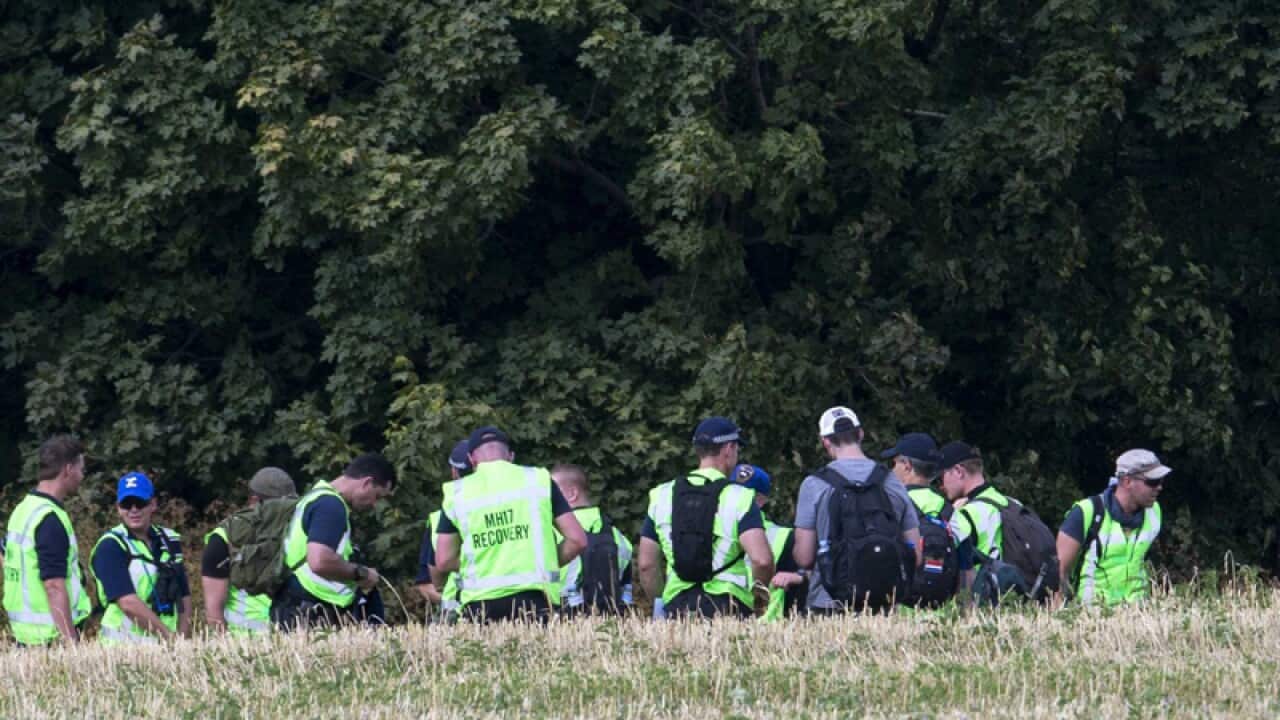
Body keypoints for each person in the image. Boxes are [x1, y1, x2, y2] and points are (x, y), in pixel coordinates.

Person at [433, 426, 587, 624]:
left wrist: (484, 564)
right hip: (535, 598)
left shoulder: (457, 493)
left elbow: (444, 560)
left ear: (472, 459)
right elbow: (577, 540)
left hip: (480, 604)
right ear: (511, 456)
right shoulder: (538, 480)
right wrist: (545, 562)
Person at [636, 417, 774, 619]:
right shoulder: (740, 497)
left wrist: (661, 604)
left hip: (677, 605)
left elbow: (646, 565)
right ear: (728, 448)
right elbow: (762, 560)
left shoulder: (661, 495)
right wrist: (758, 599)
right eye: (737, 449)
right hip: (730, 606)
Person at [793, 407, 921, 614]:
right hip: (884, 603)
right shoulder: (892, 481)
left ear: (825, 441)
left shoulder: (814, 485)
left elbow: (805, 557)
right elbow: (915, 553)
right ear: (860, 433)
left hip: (829, 602)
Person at [272, 453, 396, 630]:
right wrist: (362, 574)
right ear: (366, 483)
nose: (375, 504)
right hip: (309, 611)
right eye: (377, 496)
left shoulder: (316, 496)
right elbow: (320, 561)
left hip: (294, 602)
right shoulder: (331, 506)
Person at [3, 435, 92, 646]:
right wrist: (71, 642)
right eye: (81, 469)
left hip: (25, 638)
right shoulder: (49, 519)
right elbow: (53, 585)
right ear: (68, 469)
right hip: (50, 640)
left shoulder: (23, 509)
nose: (81, 476)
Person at [90, 472, 191, 644]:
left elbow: (184, 595)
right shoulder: (110, 546)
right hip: (122, 650)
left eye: (140, 503)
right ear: (118, 508)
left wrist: (182, 638)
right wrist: (170, 639)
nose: (133, 510)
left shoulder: (170, 540)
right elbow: (127, 602)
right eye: (126, 504)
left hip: (169, 646)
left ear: (153, 504)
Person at [1057, 449, 1167, 606]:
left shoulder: (1154, 512)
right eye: (1152, 482)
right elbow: (1059, 572)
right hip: (1090, 614)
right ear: (1127, 481)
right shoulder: (1086, 512)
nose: (1159, 487)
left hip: (1139, 613)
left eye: (1161, 481)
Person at [201, 467, 298, 635]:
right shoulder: (226, 536)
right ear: (254, 501)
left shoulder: (298, 528)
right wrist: (226, 649)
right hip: (244, 644)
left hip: (293, 637)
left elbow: (213, 611)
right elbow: (214, 610)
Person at [883, 433, 976, 595]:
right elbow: (967, 570)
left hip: (898, 610)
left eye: (894, 463)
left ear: (906, 465)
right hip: (938, 610)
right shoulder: (948, 510)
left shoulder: (890, 503)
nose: (892, 469)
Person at [551, 463, 634, 614]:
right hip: (610, 623)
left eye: (553, 493)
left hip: (563, 622)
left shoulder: (553, 531)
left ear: (571, 494)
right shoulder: (617, 536)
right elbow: (627, 591)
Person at [731, 464, 806, 621]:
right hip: (719, 618)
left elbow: (809, 577)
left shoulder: (785, 537)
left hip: (766, 626)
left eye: (741, 495)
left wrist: (796, 577)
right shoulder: (712, 529)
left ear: (760, 501)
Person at [415, 440, 471, 620]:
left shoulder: (440, 517)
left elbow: (430, 583)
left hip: (455, 614)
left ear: (454, 472)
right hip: (515, 604)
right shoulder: (517, 507)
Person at [936, 441, 1003, 564]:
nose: (941, 486)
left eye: (941, 477)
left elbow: (940, 555)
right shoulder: (1009, 503)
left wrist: (952, 515)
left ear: (958, 471)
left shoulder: (966, 514)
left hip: (981, 583)